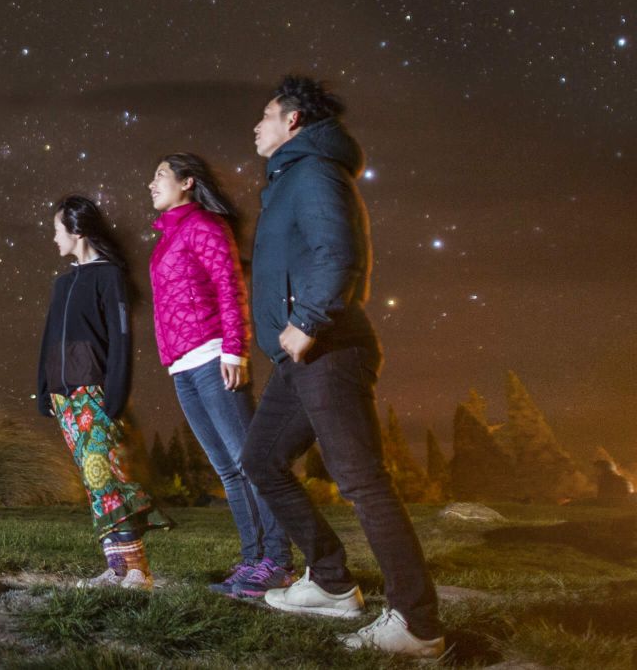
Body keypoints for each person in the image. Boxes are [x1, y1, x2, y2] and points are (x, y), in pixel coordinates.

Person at [240, 76, 445, 657]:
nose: (257, 126)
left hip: (328, 346)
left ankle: (418, 624)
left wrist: (305, 323)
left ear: (294, 120)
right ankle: (331, 580)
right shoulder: (288, 181)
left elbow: (338, 253)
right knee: (262, 459)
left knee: (360, 480)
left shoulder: (313, 173)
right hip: (298, 357)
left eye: (266, 115)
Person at [147, 153, 294, 598]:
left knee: (250, 464)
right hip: (182, 366)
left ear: (187, 182)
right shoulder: (167, 238)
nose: (151, 184)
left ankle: (278, 563)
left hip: (213, 356)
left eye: (159, 175)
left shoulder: (205, 227)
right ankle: (252, 559)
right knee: (228, 471)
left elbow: (229, 287)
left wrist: (235, 350)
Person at [38, 195, 172, 590]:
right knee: (91, 480)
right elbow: (49, 339)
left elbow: (121, 337)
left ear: (77, 230)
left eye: (57, 229)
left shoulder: (109, 276)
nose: (53, 238)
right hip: (63, 397)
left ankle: (137, 570)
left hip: (94, 392)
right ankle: (115, 568)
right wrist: (44, 388)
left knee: (105, 475)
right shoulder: (62, 282)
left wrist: (115, 394)